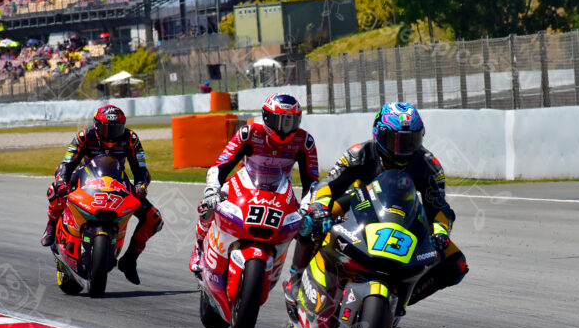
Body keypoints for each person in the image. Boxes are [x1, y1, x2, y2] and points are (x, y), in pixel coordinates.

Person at [285, 102, 468, 308]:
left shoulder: (429, 165)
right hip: (357, 204)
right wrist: (319, 207)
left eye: (410, 141)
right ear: (378, 134)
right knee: (311, 220)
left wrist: (441, 232)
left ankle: (399, 302)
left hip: (405, 216)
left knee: (457, 264)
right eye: (394, 140)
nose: (401, 150)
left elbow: (439, 208)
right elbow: (328, 184)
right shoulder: (359, 153)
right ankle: (296, 277)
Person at [189, 92, 319, 273]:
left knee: (311, 229)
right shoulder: (249, 133)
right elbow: (221, 166)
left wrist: (308, 207)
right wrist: (212, 189)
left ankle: (300, 277)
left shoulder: (305, 141)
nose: (286, 128)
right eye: (282, 121)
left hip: (280, 191)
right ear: (268, 117)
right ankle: (199, 246)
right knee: (207, 205)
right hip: (245, 183)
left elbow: (312, 183)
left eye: (292, 121)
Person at [40, 105, 163, 285]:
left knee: (154, 219)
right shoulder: (83, 136)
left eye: (117, 129)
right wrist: (62, 181)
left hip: (117, 181)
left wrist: (140, 187)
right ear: (97, 126)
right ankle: (51, 225)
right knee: (55, 190)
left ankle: (129, 260)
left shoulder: (131, 138)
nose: (112, 134)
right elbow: (67, 163)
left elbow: (141, 169)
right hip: (85, 177)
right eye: (107, 129)